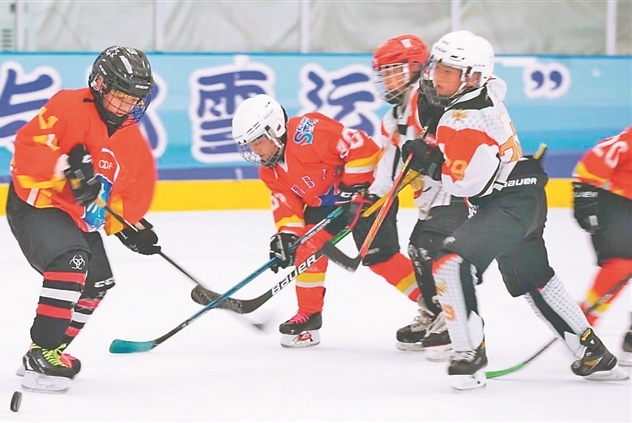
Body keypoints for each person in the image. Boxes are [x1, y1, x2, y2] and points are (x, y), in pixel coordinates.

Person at [401, 30, 627, 390]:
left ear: (472, 77)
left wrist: (430, 163)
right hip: (526, 193)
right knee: (535, 279)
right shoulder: (486, 91)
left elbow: (466, 185)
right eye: (437, 68)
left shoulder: (464, 122)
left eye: (448, 72)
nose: (437, 78)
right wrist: (438, 127)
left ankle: (468, 355)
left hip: (505, 203)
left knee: (450, 264)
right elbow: (487, 96)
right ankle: (592, 354)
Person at [7, 46, 161, 393]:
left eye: (133, 99)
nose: (125, 106)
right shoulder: (68, 106)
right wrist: (64, 166)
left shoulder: (131, 141)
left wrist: (130, 227)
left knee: (97, 281)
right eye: (120, 96)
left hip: (75, 217)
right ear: (101, 84)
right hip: (37, 204)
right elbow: (27, 149)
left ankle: (47, 352)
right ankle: (42, 352)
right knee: (71, 260)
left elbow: (119, 196)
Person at [231, 93, 386, 348]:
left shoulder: (310, 133)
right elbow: (287, 206)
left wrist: (354, 186)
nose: (255, 150)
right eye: (250, 144)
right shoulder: (269, 171)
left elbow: (362, 146)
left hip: (368, 195)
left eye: (258, 141)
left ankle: (432, 307)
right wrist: (286, 235)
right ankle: (310, 316)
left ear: (276, 129)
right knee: (305, 246)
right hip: (327, 206)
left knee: (383, 259)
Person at [367, 33, 469, 358]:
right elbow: (389, 164)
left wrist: (430, 150)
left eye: (392, 71)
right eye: (383, 73)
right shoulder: (393, 116)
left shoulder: (424, 98)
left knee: (429, 249)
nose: (387, 79)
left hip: (454, 191)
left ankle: (454, 321)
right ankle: (435, 311)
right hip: (431, 198)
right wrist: (373, 196)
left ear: (414, 68)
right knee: (419, 249)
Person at [572, 125, 632, 366]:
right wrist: (584, 193)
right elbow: (603, 153)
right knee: (621, 264)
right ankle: (582, 324)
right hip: (617, 202)